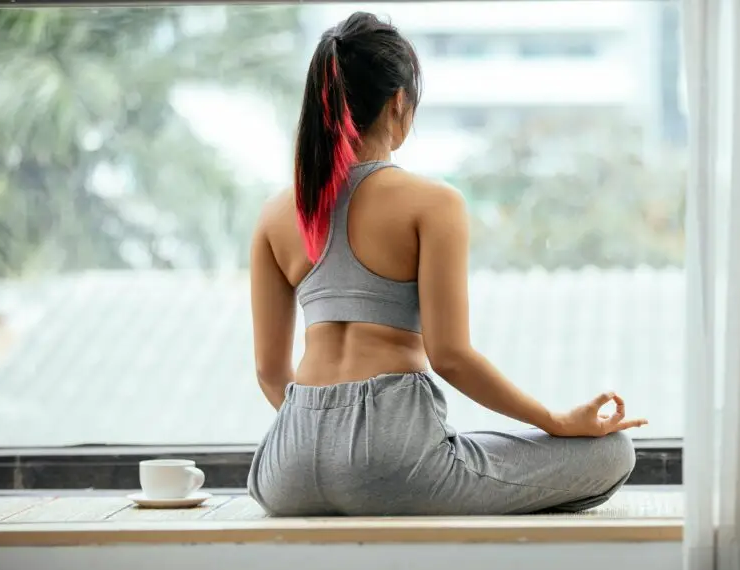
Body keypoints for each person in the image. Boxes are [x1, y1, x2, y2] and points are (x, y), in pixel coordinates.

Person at [247, 11, 646, 516]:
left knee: (465, 443)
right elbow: (451, 356)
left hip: (287, 464)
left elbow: (268, 371)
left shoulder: (277, 213)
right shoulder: (431, 202)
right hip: (392, 459)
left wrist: (322, 441)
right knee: (611, 451)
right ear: (399, 104)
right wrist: (556, 421)